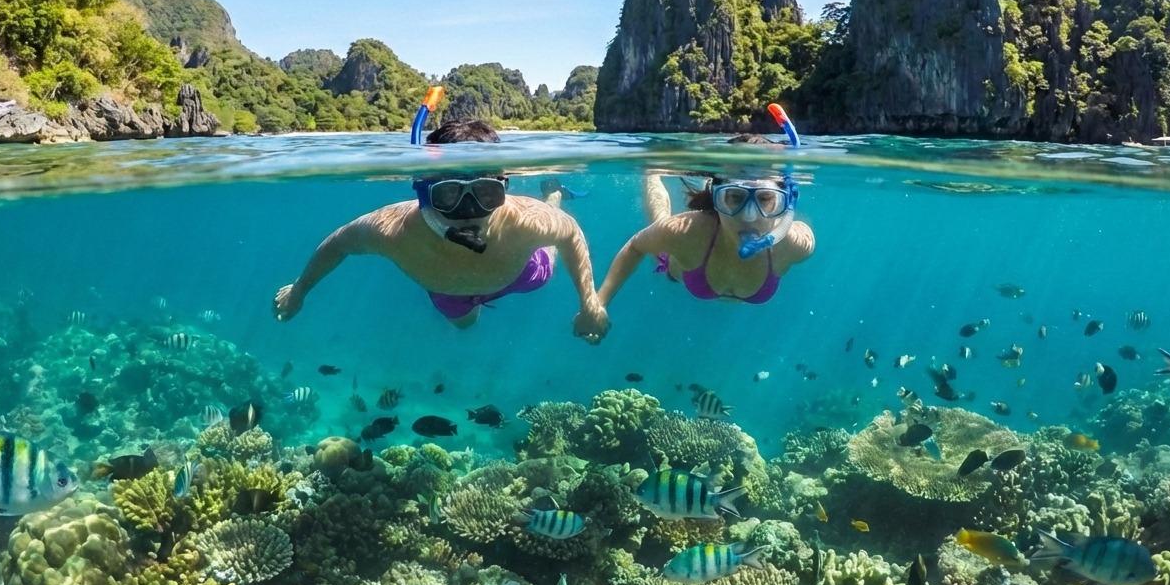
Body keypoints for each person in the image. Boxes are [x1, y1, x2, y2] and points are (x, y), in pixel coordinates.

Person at [274, 119, 609, 343]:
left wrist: (589, 301)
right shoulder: (394, 229)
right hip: (450, 293)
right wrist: (299, 289)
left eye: (485, 194)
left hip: (520, 272)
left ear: (502, 188)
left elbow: (569, 234)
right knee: (466, 325)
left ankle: (553, 195)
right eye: (448, 194)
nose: (467, 213)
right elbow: (338, 243)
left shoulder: (525, 222)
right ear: (424, 193)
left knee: (545, 262)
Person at [593, 171, 814, 309]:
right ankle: (651, 174)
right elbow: (635, 246)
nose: (749, 217)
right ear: (718, 199)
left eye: (765, 199)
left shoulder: (794, 244)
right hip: (681, 262)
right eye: (735, 197)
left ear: (785, 205)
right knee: (661, 222)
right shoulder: (685, 232)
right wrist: (599, 303)